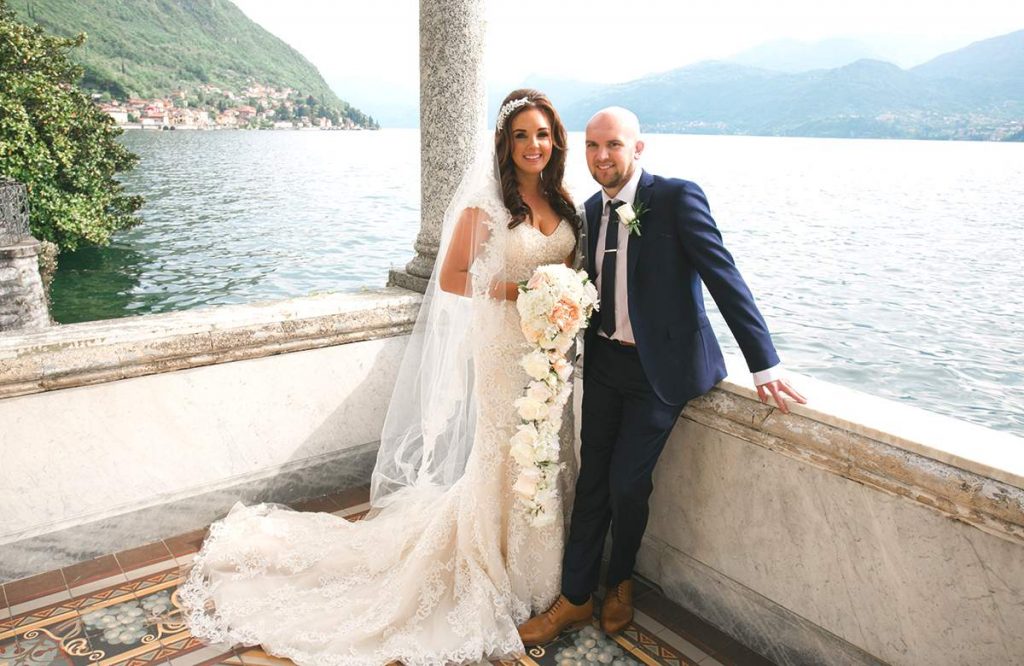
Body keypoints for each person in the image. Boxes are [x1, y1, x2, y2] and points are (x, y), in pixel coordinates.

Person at [178, 89, 581, 666]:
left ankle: (546, 569)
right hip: (501, 350)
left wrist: (563, 306)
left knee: (548, 450)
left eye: (542, 134)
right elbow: (451, 278)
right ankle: (502, 569)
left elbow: (569, 274)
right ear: (505, 143)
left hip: (548, 350)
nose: (533, 145)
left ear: (556, 140)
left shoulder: (564, 203)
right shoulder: (487, 207)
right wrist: (524, 293)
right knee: (506, 454)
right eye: (521, 135)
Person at [518, 107, 806, 645]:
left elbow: (724, 277)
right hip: (603, 367)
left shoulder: (676, 198)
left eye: (614, 145)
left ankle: (620, 580)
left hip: (661, 371)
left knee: (629, 483)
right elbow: (583, 294)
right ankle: (576, 598)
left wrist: (763, 362)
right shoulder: (588, 212)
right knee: (593, 482)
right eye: (592, 146)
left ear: (637, 149)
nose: (602, 156)